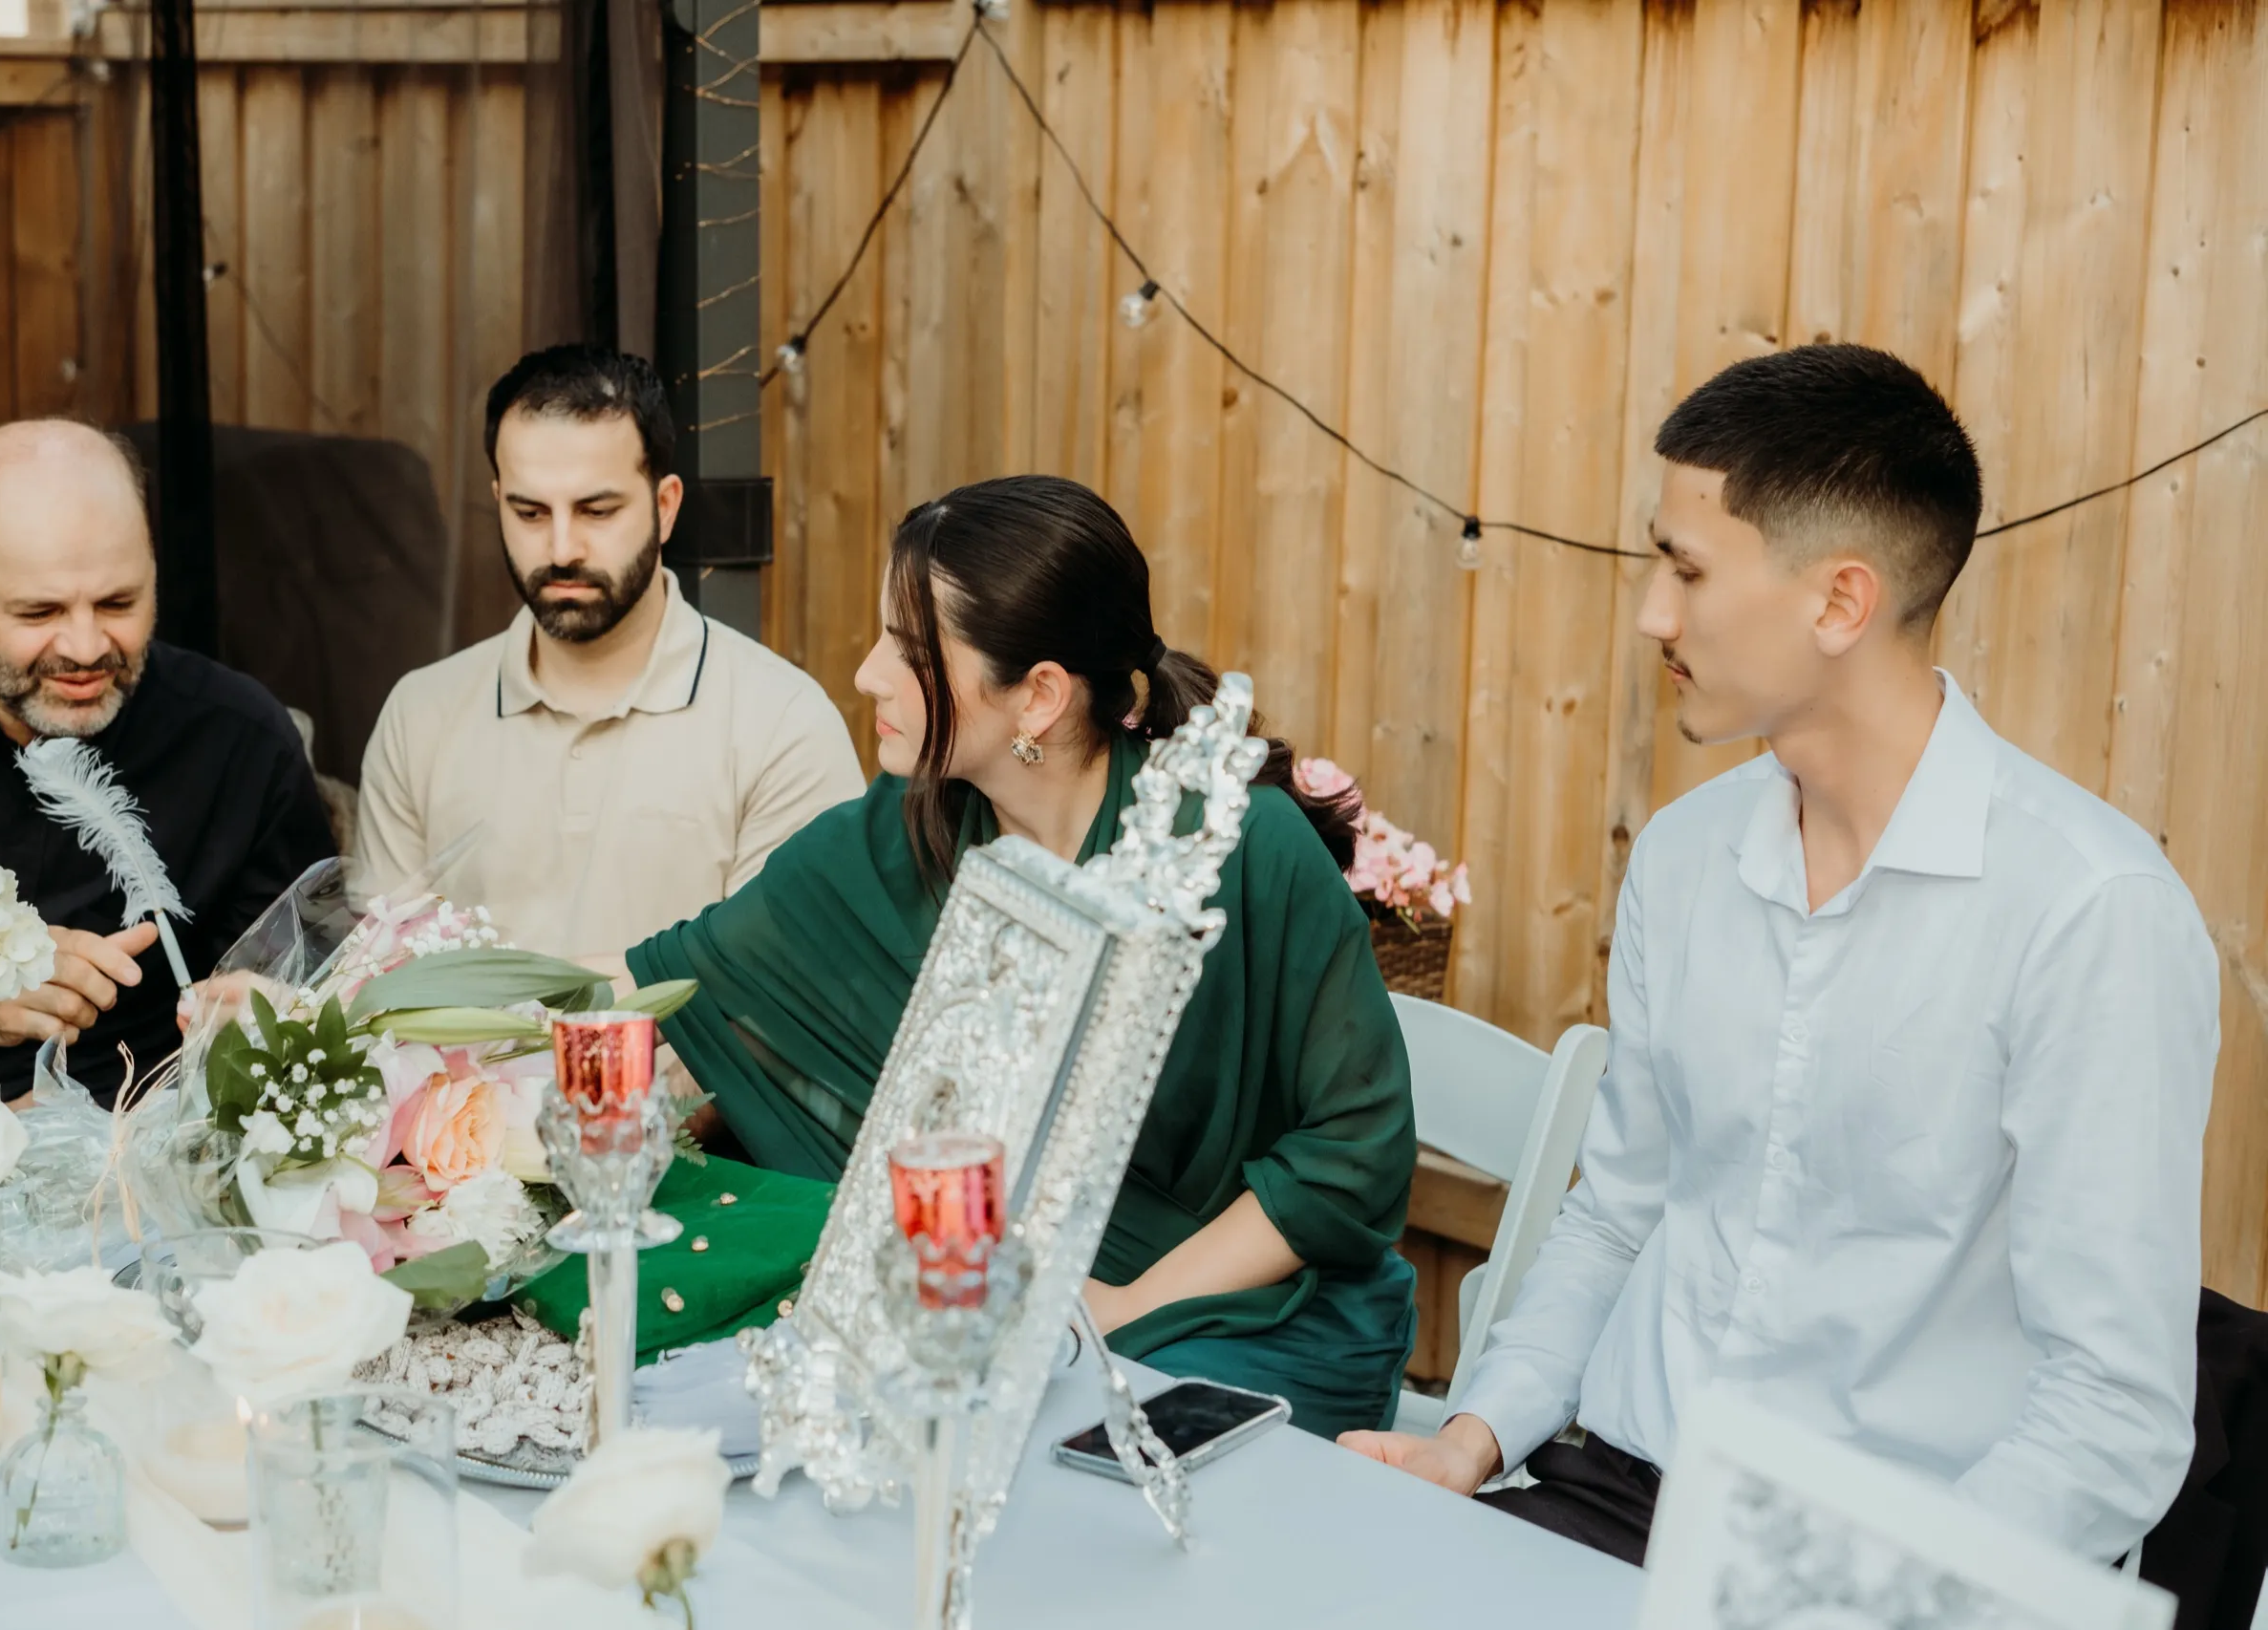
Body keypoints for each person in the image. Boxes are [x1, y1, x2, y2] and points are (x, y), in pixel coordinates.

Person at [1341, 345, 2217, 1565]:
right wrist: (1471, 1435)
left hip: (1876, 1558)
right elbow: (1617, 1216)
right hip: (1613, 1488)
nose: (1653, 613)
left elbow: (2111, 1408)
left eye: (1687, 568)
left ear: (1839, 602)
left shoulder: (2090, 912)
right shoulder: (1684, 854)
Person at [625, 475, 1420, 1439]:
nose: (868, 673)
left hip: (1235, 1313)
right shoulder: (901, 829)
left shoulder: (1244, 850)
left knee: (1031, 1433)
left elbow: (1353, 1152)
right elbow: (693, 996)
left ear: (1038, 695)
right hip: (993, 1299)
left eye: (910, 650)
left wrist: (1117, 1309)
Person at [0, 418, 336, 1100]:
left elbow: (318, 980)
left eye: (119, 602)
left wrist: (276, 1016)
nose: (88, 648)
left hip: (138, 1137)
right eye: (39, 613)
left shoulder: (242, 743)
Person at [355, 345, 863, 976]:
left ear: (665, 506)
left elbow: (784, 991)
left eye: (597, 511)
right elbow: (377, 985)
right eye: (529, 512)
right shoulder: (421, 716)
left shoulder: (782, 724)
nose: (562, 548)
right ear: (498, 500)